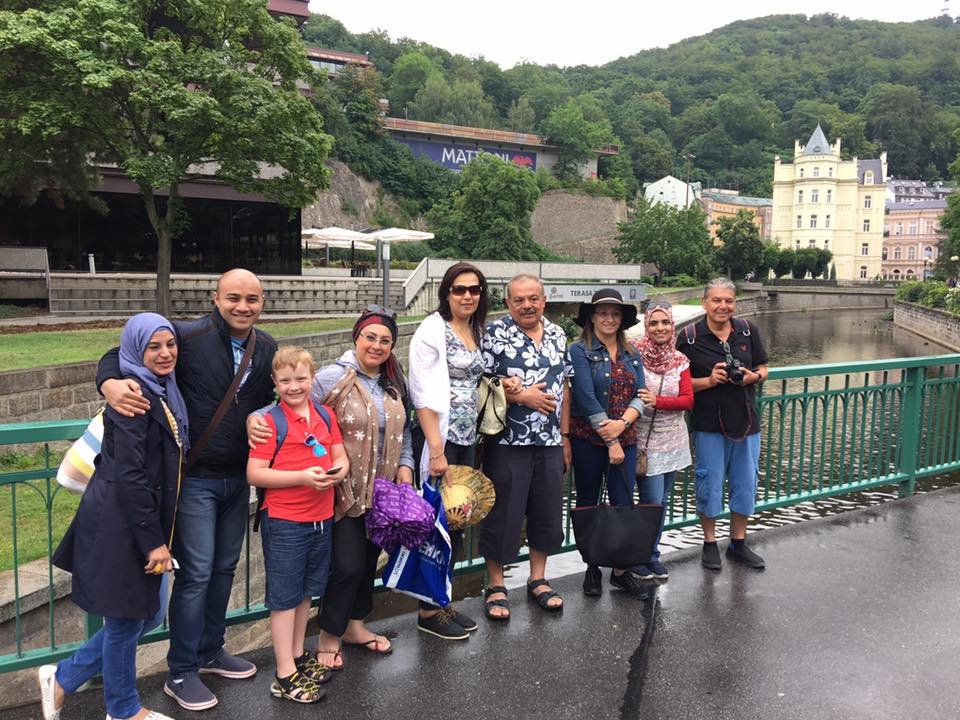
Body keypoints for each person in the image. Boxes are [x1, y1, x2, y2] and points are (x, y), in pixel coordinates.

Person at [96, 269, 277, 711]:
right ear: (216, 298)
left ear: (262, 302)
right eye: (233, 298)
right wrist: (109, 382)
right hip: (195, 479)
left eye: (252, 299)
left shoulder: (267, 347)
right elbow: (120, 351)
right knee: (195, 574)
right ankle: (181, 670)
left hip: (238, 478)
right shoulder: (188, 336)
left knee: (224, 568)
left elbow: (272, 396)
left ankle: (211, 650)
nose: (243, 307)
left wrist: (261, 414)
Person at [248, 304, 415, 670]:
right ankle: (329, 636)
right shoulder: (331, 377)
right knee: (347, 566)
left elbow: (405, 430)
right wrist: (254, 418)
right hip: (341, 492)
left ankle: (355, 626)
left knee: (368, 561)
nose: (377, 345)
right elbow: (289, 402)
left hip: (382, 491)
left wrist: (406, 465)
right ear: (356, 337)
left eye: (385, 340)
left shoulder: (393, 380)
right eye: (370, 337)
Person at [41, 313, 187, 720]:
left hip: (140, 520)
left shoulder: (163, 387)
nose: (165, 353)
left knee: (150, 615)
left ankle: (63, 677)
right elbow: (130, 476)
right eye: (153, 347)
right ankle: (122, 710)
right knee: (126, 620)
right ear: (137, 350)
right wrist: (154, 543)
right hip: (122, 524)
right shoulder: (132, 399)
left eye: (170, 344)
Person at [247, 346, 348, 704]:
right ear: (274, 382)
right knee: (284, 597)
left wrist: (339, 472)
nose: (294, 387)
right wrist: (302, 477)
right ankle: (284, 671)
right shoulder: (271, 422)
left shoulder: (324, 414)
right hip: (286, 519)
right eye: (285, 381)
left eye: (301, 379)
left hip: (320, 518)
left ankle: (296, 653)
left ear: (312, 378)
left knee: (306, 591)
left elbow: (339, 455)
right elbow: (255, 473)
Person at [480, 273, 571, 621]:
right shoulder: (493, 334)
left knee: (547, 509)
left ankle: (538, 578)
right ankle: (496, 583)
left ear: (544, 300)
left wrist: (565, 437)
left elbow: (565, 387)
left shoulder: (558, 334)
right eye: (519, 300)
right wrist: (520, 395)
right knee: (503, 512)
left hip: (549, 440)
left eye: (533, 298)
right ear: (508, 303)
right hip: (508, 441)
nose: (527, 305)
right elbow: (481, 382)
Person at [407, 262, 488, 640]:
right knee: (436, 524)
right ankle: (428, 610)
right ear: (446, 293)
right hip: (440, 441)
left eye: (474, 289)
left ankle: (442, 600)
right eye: (459, 289)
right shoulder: (432, 329)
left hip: (467, 440)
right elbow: (421, 393)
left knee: (455, 521)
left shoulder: (474, 328)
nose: (467, 296)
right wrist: (436, 451)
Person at [677, 278, 769, 571]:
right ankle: (709, 543)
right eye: (716, 300)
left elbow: (763, 367)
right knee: (709, 483)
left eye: (728, 300)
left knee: (745, 483)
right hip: (708, 424)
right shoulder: (690, 337)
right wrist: (709, 380)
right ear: (704, 302)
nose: (723, 306)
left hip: (746, 422)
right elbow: (679, 384)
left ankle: (738, 544)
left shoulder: (747, 330)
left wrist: (754, 376)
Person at [567, 288, 648, 597]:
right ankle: (592, 566)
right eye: (603, 313)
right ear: (592, 317)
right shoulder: (579, 350)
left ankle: (620, 570)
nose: (609, 319)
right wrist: (611, 439)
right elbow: (586, 397)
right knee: (588, 502)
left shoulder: (631, 353)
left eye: (615, 314)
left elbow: (641, 395)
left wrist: (623, 424)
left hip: (625, 437)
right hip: (589, 439)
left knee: (623, 503)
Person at [633, 300, 694, 580]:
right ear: (646, 325)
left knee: (662, 501)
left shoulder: (679, 360)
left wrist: (658, 401)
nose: (660, 328)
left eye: (665, 322)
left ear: (672, 325)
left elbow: (687, 400)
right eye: (654, 323)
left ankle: (651, 554)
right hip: (643, 440)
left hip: (673, 439)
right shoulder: (634, 354)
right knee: (652, 501)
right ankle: (640, 556)